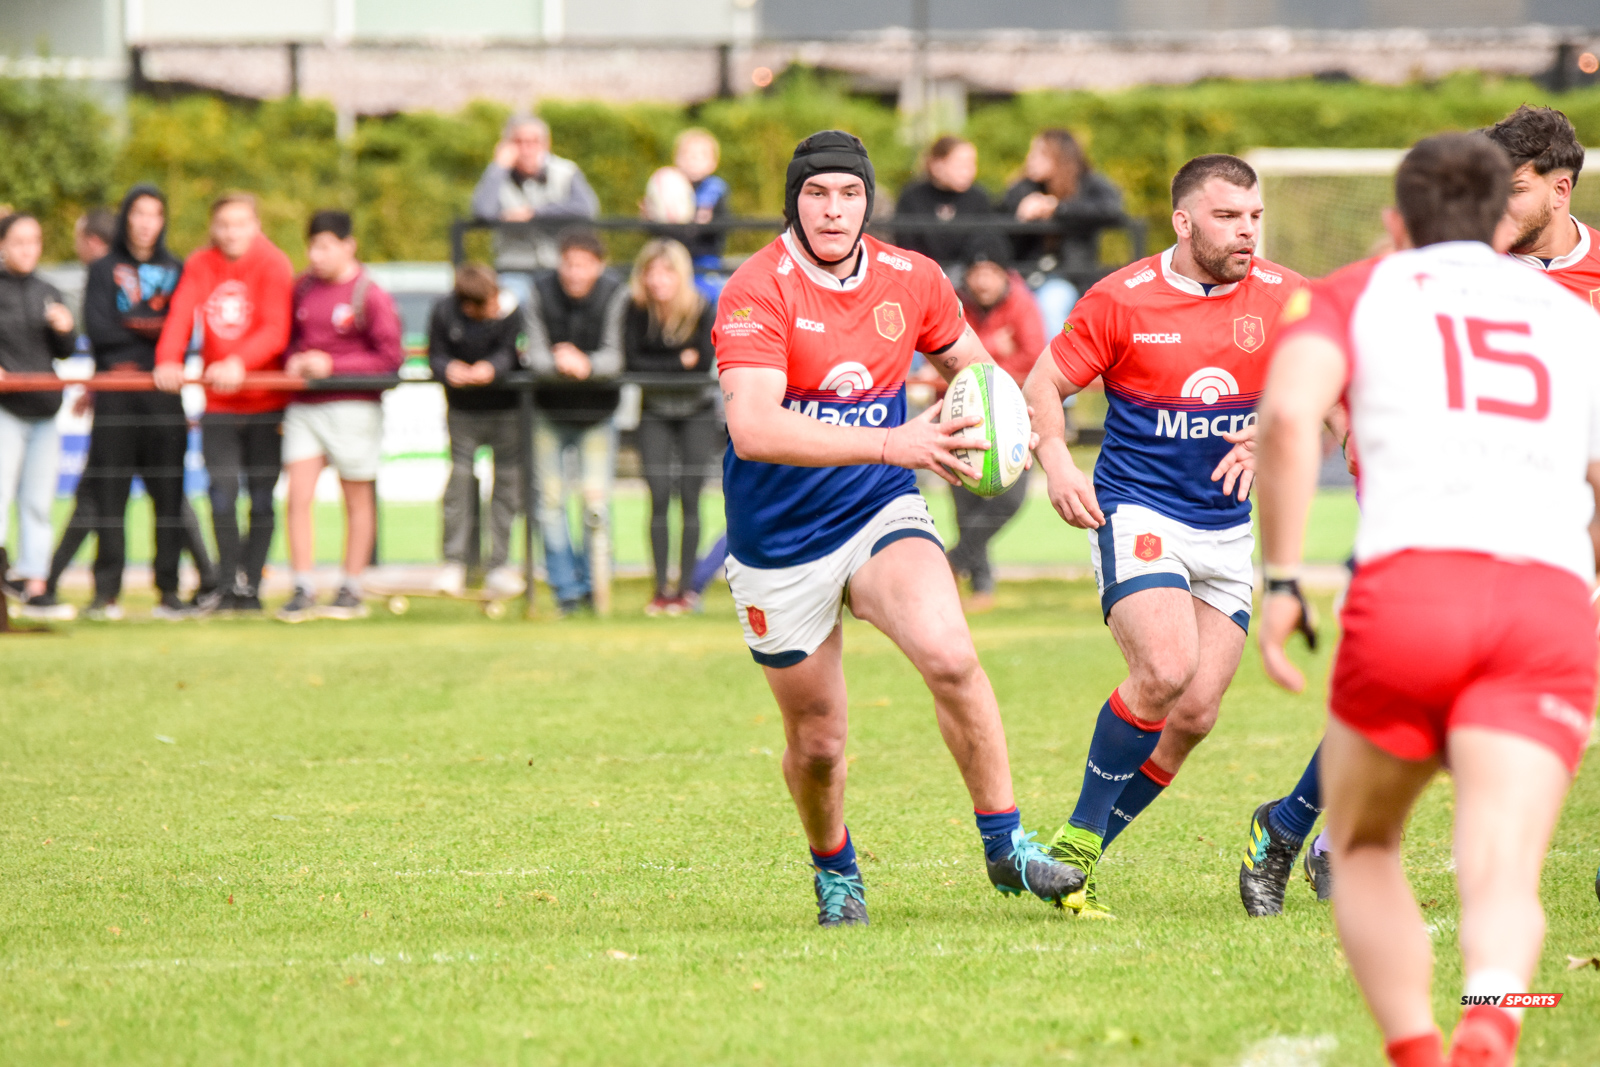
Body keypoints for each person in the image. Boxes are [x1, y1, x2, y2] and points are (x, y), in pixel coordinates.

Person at [1255, 131, 1600, 1067]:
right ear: (1501, 215)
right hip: (1547, 601)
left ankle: (1415, 1047)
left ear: (1393, 220)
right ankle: (1490, 1028)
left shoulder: (1359, 288)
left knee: (1364, 845)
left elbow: (1289, 415)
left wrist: (1283, 578)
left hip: (1413, 589)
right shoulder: (1571, 313)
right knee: (1502, 867)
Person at [715, 129, 1084, 926]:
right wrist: (895, 438)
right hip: (779, 538)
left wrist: (1011, 429)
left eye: (848, 193)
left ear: (868, 200)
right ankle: (835, 867)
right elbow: (753, 427)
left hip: (880, 503)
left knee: (952, 654)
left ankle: (1007, 844)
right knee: (817, 742)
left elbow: (977, 367)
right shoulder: (758, 288)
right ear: (795, 200)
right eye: (817, 193)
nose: (833, 209)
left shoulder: (911, 278)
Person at [1023, 154, 1305, 918]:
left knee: (1195, 715)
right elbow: (1041, 383)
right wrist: (1055, 461)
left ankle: (1071, 865)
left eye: (1253, 217)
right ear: (1184, 222)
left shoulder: (1287, 297)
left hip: (1227, 530)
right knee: (1166, 666)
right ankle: (1079, 839)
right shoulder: (1122, 299)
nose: (1246, 232)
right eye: (1226, 218)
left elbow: (1332, 385)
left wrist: (1280, 431)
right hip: (1140, 511)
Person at [154, 192, 295, 614]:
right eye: (224, 224)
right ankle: (227, 583)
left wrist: (239, 361)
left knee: (263, 498)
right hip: (219, 403)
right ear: (213, 227)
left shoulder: (275, 264)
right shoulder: (201, 263)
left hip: (267, 401)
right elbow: (181, 314)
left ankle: (251, 586)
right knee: (221, 492)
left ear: (256, 225)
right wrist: (167, 359)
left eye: (240, 223)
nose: (231, 232)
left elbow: (275, 329)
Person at [275, 211, 404, 623]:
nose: (316, 254)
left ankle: (351, 585)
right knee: (297, 494)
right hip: (306, 406)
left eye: (326, 245)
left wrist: (334, 364)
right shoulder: (302, 288)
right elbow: (289, 342)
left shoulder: (369, 293)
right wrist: (294, 361)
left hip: (354, 406)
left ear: (349, 245)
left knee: (356, 497)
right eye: (312, 245)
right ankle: (302, 585)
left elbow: (390, 359)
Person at [525, 227, 628, 615]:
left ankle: (596, 586)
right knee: (548, 503)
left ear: (599, 266)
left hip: (598, 414)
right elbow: (532, 357)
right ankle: (564, 590)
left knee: (595, 504)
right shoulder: (538, 291)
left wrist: (586, 364)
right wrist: (561, 362)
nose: (574, 273)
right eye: (568, 264)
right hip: (548, 411)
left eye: (583, 265)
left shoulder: (616, 294)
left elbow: (616, 357)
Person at [944, 234, 1044, 612]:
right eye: (976, 272)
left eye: (990, 272)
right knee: (963, 498)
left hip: (1009, 412)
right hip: (957, 410)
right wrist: (994, 346)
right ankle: (981, 585)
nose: (983, 280)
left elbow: (1034, 359)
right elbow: (946, 357)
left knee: (1012, 496)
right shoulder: (956, 304)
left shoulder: (1022, 301)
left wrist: (988, 369)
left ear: (1005, 274)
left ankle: (953, 564)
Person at [624, 238, 718, 616]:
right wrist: (677, 359)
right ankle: (660, 588)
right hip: (654, 412)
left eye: (666, 272)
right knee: (658, 496)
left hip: (697, 411)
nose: (658, 280)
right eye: (651, 272)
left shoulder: (702, 308)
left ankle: (687, 590)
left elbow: (701, 364)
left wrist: (664, 363)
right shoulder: (635, 310)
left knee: (691, 498)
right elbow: (633, 361)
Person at [428, 263, 526, 597]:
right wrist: (449, 368)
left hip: (507, 413)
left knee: (507, 489)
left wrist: (492, 368)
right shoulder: (444, 313)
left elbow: (514, 352)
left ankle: (499, 565)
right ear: (468, 305)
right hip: (463, 412)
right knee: (460, 484)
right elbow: (435, 355)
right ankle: (454, 563)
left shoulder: (511, 310)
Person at [0, 213, 78, 619]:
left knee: (38, 502)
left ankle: (35, 586)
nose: (27, 249)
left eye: (34, 240)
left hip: (45, 412)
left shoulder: (49, 291)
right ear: (2, 245)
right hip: (6, 411)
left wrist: (66, 329)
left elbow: (66, 350)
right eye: (18, 241)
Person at [999, 128, 1125, 337]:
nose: (1030, 159)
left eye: (1039, 154)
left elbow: (1112, 207)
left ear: (1059, 158)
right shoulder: (1025, 187)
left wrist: (1057, 208)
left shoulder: (1086, 183)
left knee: (1051, 303)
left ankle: (1053, 369)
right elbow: (1001, 215)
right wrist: (1021, 211)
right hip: (1023, 275)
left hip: (1069, 277)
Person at [471, 115, 600, 278]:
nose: (526, 150)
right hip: (513, 269)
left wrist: (534, 213)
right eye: (519, 142)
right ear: (507, 146)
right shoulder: (497, 176)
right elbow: (482, 212)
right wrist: (498, 167)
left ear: (546, 144)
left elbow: (587, 207)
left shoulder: (566, 171)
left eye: (533, 142)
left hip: (558, 269)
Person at [893, 135, 993, 269]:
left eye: (972, 163)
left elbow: (984, 242)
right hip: (922, 271)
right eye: (960, 164)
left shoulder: (979, 198)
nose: (968, 170)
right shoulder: (912, 197)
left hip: (966, 276)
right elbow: (906, 243)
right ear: (937, 165)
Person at [673, 128, 733, 303]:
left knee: (709, 300)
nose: (693, 160)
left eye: (701, 156)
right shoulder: (670, 187)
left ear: (713, 162)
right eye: (688, 155)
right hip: (675, 258)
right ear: (677, 159)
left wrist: (704, 224)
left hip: (705, 260)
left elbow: (723, 226)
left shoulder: (716, 189)